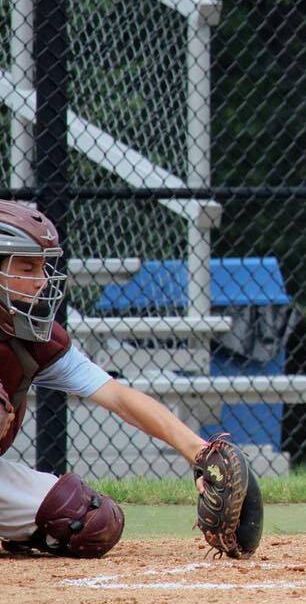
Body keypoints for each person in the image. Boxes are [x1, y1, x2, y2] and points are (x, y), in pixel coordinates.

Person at [0, 199, 213, 557]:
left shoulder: (32, 339)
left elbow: (116, 395)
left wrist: (199, 451)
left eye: (42, 267)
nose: (41, 281)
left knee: (87, 519)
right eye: (26, 267)